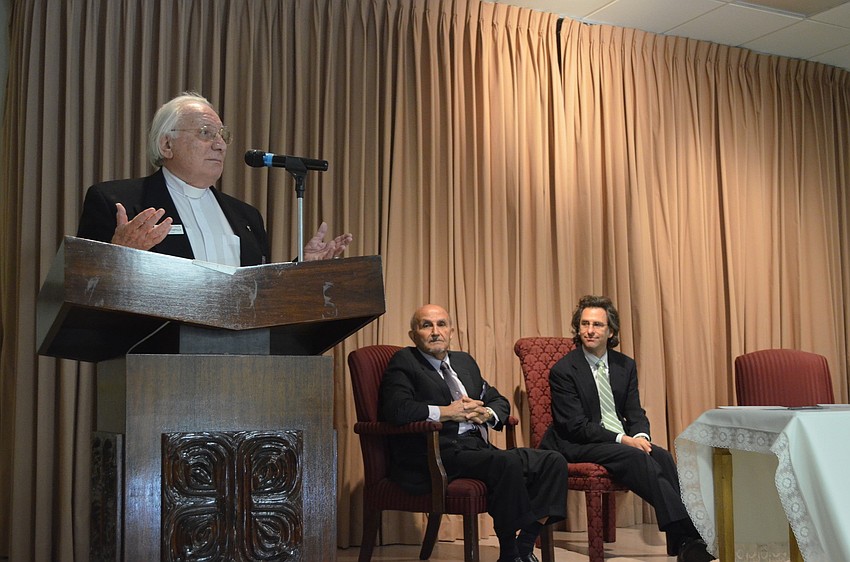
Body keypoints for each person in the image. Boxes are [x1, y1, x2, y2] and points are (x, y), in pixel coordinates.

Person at [380, 304, 568, 562]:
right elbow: (396, 410)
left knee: (553, 461)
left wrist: (487, 414)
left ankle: (524, 543)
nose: (435, 332)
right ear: (414, 335)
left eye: (441, 325)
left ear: (451, 332)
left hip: (476, 449)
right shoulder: (404, 361)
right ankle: (509, 552)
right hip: (438, 452)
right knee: (507, 462)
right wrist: (448, 412)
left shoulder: (463, 362)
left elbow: (497, 399)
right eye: (427, 326)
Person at [76, 92, 352, 265]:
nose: (220, 145)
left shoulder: (247, 217)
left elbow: (260, 295)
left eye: (223, 136)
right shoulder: (117, 203)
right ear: (166, 145)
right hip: (156, 354)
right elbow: (82, 289)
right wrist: (117, 255)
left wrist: (301, 267)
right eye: (206, 133)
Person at [540, 295, 714, 562]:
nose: (589, 330)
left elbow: (635, 412)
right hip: (577, 443)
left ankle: (683, 544)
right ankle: (691, 534)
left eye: (597, 325)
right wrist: (624, 440)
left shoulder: (624, 365)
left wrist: (641, 436)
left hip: (615, 440)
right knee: (635, 456)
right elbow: (575, 426)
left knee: (662, 457)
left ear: (611, 331)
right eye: (584, 324)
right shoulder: (564, 370)